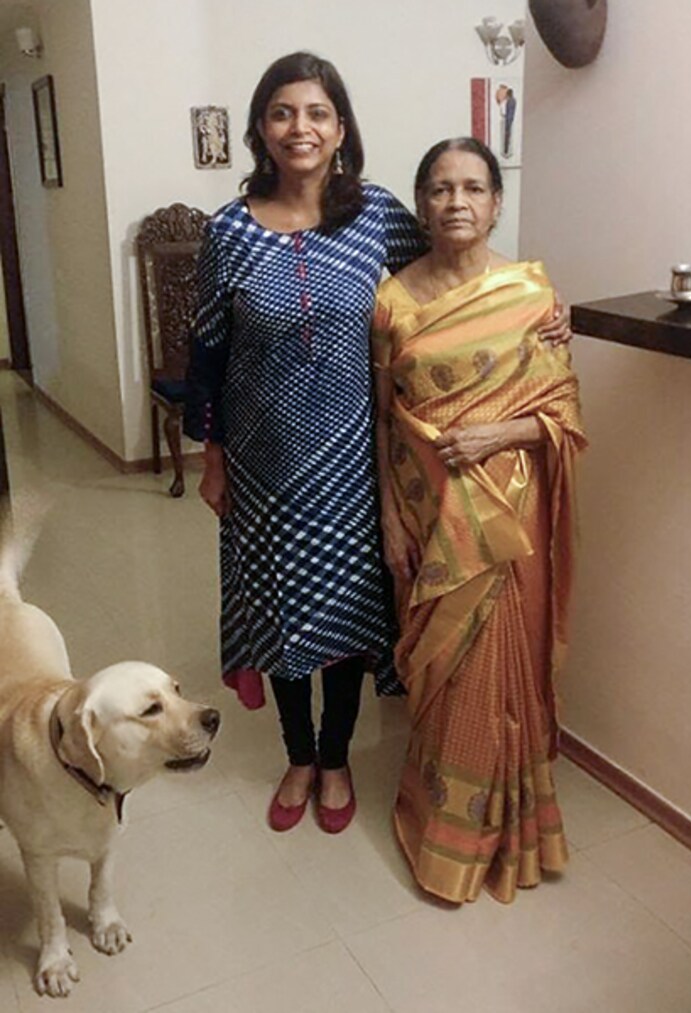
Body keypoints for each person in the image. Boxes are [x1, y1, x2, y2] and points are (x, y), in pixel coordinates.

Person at [184, 53, 572, 838]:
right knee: (278, 616)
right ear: (262, 127)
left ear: (340, 128)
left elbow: (451, 283)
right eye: (284, 112)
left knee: (347, 615)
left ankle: (335, 759)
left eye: (318, 113)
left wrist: (542, 316)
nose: (301, 128)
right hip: (261, 465)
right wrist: (215, 456)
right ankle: (298, 754)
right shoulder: (227, 230)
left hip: (355, 465)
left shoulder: (381, 217)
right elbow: (209, 353)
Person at [372, 137, 586, 902]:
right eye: (438, 188)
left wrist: (499, 433)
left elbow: (563, 414)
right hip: (430, 516)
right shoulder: (392, 299)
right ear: (421, 204)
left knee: (505, 671)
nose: (455, 202)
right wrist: (392, 517)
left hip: (509, 517)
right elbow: (385, 421)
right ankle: (443, 830)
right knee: (445, 667)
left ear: (497, 202)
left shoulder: (532, 295)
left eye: (472, 187)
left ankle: (509, 831)